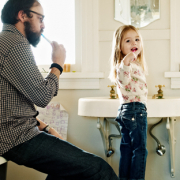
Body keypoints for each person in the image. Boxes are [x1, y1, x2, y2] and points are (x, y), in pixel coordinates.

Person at [0, 0, 119, 179]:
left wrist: (46, 127)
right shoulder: (15, 44)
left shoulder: (7, 42)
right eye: (40, 18)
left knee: (63, 173)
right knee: (99, 169)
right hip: (16, 138)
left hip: (16, 134)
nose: (43, 25)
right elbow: (42, 96)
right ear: (22, 15)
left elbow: (11, 105)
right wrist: (58, 63)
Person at [109, 25, 148, 180]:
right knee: (139, 150)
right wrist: (125, 63)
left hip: (126, 111)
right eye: (128, 41)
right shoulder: (125, 65)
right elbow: (124, 80)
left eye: (137, 39)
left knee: (127, 149)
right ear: (119, 46)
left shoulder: (134, 64)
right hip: (135, 111)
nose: (134, 43)